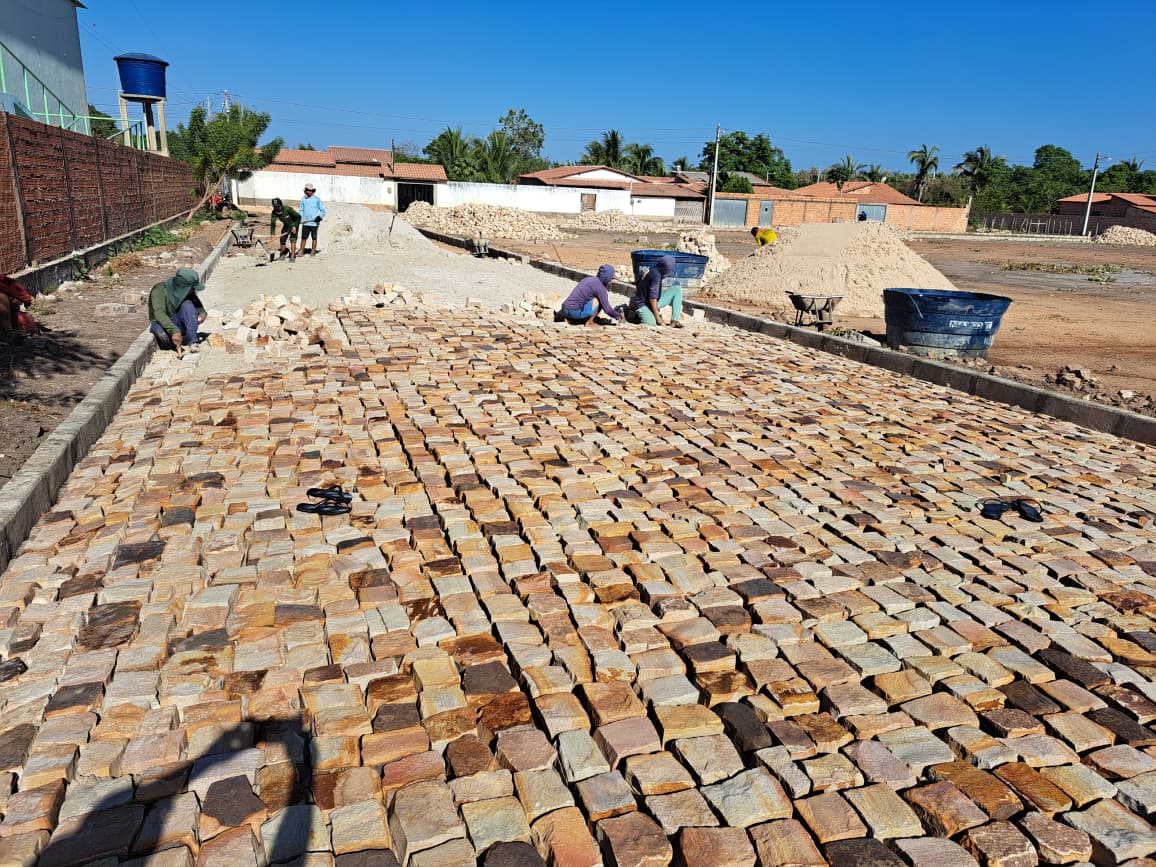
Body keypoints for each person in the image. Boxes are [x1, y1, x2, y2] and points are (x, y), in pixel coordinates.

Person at [149, 267, 207, 351]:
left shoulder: (187, 293)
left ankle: (192, 341)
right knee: (162, 335)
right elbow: (159, 314)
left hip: (178, 322)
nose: (193, 291)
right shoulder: (158, 291)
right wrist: (174, 331)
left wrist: (202, 314)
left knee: (188, 306)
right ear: (183, 287)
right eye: (192, 288)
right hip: (162, 324)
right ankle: (175, 341)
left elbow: (199, 308)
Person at [630, 255, 685, 328]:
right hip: (643, 305)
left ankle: (674, 321)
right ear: (667, 268)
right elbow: (652, 298)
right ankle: (643, 316)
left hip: (653, 300)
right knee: (651, 323)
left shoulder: (655, 269)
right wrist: (658, 318)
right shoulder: (656, 275)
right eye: (670, 268)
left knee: (677, 289)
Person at [298, 183, 326, 256]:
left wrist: (319, 217)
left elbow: (323, 211)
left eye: (311, 190)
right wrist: (300, 218)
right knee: (304, 237)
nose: (309, 192)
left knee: (314, 237)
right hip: (305, 222)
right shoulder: (303, 199)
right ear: (306, 191)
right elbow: (301, 210)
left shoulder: (317, 200)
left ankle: (313, 251)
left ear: (313, 191)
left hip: (314, 223)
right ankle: (301, 251)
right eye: (308, 190)